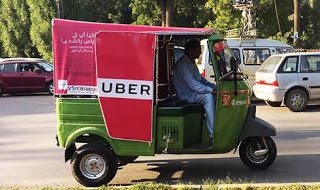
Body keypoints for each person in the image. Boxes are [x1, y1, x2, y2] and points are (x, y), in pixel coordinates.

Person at [173, 39, 217, 139]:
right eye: (198, 50)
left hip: (193, 92)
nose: (200, 52)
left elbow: (200, 79)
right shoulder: (183, 64)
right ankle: (213, 133)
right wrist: (211, 90)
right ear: (191, 50)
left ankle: (213, 124)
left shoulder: (191, 62)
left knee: (213, 95)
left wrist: (215, 87)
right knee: (208, 97)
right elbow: (194, 85)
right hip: (186, 95)